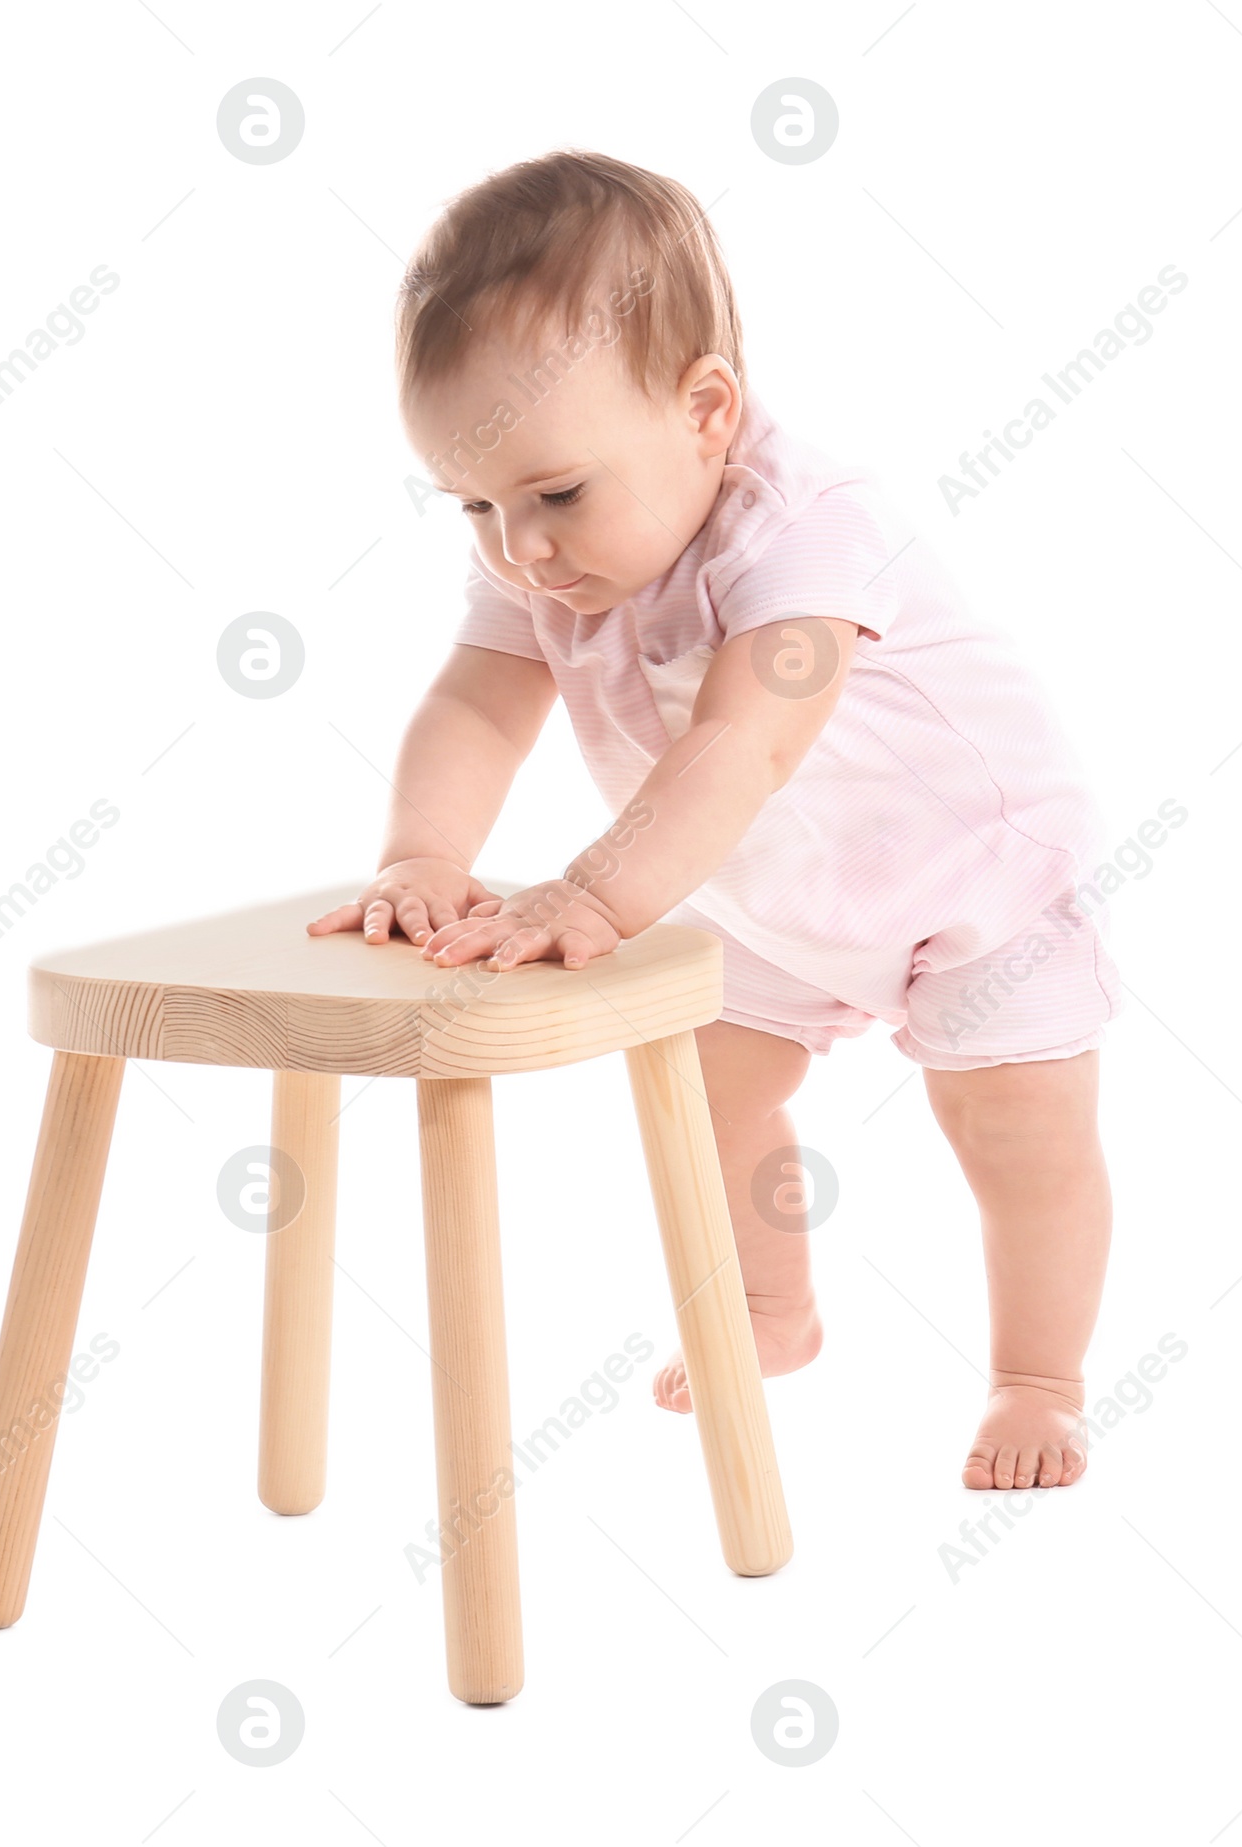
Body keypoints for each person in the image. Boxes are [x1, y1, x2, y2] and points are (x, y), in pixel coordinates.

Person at [307, 148, 1124, 1493]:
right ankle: (769, 1306)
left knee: (1014, 1125)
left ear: (704, 412)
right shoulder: (544, 559)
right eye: (474, 506)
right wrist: (423, 854)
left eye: (555, 495)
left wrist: (590, 895)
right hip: (763, 888)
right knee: (707, 1086)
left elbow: (744, 744)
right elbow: (474, 701)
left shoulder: (802, 532)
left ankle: (1040, 1376)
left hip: (974, 876)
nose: (522, 550)